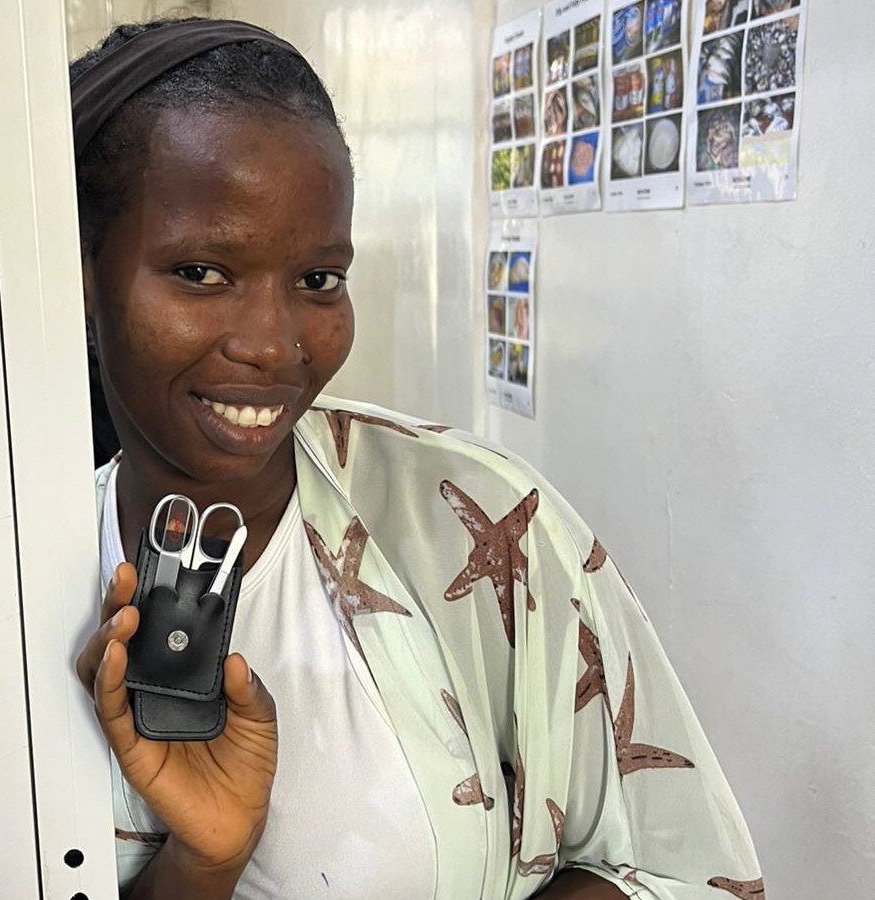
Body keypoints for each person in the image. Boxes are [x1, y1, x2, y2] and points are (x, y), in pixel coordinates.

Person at [71, 18, 763, 900]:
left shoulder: (480, 522)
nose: (274, 345)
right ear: (81, 275)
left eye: (318, 280)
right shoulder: (15, 597)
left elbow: (679, 869)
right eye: (203, 272)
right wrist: (202, 863)